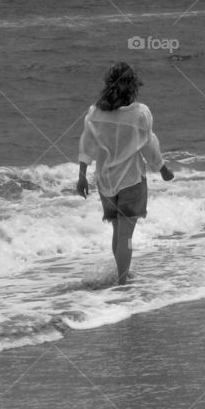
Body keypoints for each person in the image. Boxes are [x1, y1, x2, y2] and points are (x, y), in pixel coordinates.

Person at [76, 62, 174, 285]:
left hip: (105, 180)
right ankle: (122, 281)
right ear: (133, 86)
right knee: (126, 236)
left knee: (118, 231)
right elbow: (149, 145)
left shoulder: (95, 113)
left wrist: (82, 176)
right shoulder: (140, 113)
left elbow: (86, 145)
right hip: (131, 180)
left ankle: (122, 273)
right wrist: (163, 169)